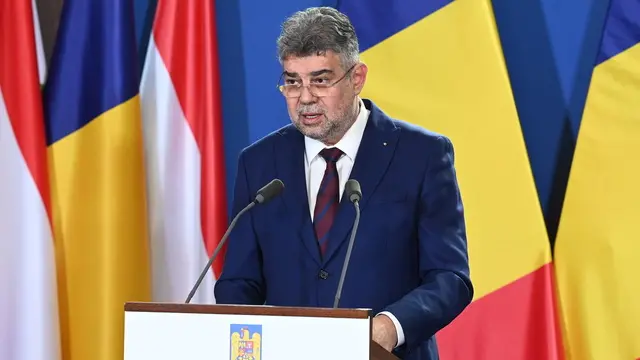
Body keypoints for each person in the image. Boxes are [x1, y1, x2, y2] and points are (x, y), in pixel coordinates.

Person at [214, 6, 473, 360]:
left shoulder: (423, 155)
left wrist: (389, 326)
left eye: (320, 80)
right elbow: (239, 281)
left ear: (357, 78)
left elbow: (450, 277)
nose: (305, 98)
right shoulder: (259, 163)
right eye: (292, 81)